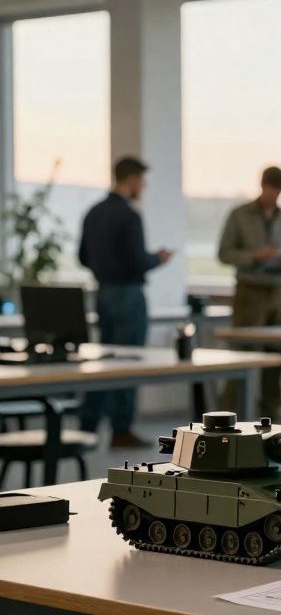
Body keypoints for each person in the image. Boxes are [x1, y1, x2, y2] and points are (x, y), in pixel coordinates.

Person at [77, 156, 172, 447]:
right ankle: (121, 429)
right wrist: (158, 258)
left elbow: (81, 256)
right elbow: (136, 260)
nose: (143, 186)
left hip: (102, 294)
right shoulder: (129, 215)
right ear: (131, 180)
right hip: (128, 295)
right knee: (129, 361)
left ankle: (87, 425)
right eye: (142, 180)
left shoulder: (93, 212)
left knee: (102, 362)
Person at [217, 166, 281, 420]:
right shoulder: (240, 215)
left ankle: (271, 412)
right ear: (263, 186)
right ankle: (229, 414)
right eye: (272, 191)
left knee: (278, 356)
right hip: (250, 291)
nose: (275, 197)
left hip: (279, 291)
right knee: (242, 353)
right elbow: (224, 253)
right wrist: (254, 256)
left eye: (280, 192)